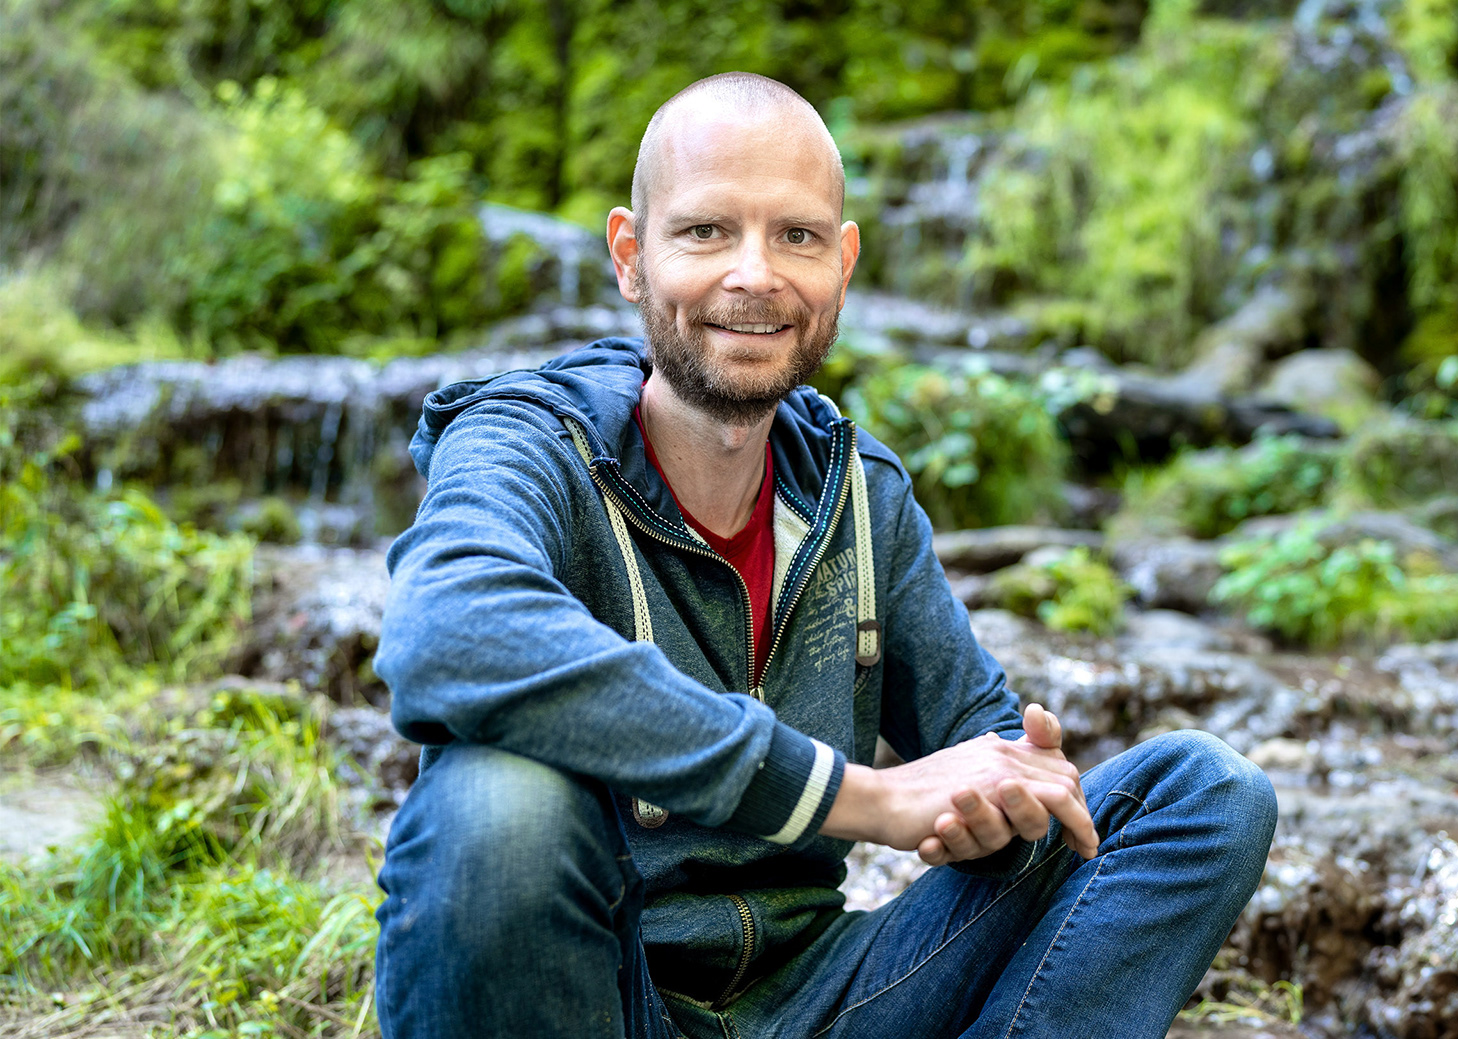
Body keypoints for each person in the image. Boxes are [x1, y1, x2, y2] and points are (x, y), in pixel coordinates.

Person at [372, 71, 1279, 1039]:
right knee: (497, 806)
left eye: (796, 236)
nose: (755, 274)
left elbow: (979, 736)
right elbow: (449, 635)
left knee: (1205, 792)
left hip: (820, 996)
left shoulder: (859, 488)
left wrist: (1010, 797)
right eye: (706, 231)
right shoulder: (524, 444)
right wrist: (858, 796)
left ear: (843, 263)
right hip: (596, 993)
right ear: (631, 257)